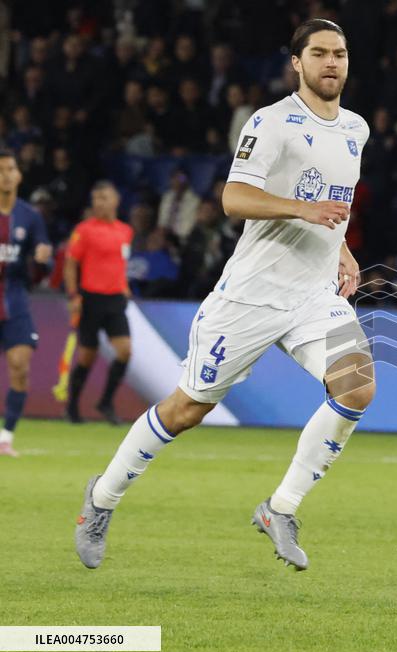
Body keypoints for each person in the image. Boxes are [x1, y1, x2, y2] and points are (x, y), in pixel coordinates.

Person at [74, 19, 374, 572]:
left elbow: (333, 205)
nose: (332, 62)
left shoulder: (356, 129)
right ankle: (101, 499)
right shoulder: (273, 122)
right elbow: (234, 197)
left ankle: (280, 509)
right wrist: (302, 209)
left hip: (312, 296)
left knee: (356, 386)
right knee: (188, 408)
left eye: (340, 52)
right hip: (251, 297)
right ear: (297, 63)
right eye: (320, 53)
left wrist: (342, 251)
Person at [64, 181, 134, 425]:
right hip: (91, 298)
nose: (99, 203)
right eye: (95, 198)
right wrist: (74, 295)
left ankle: (105, 401)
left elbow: (119, 262)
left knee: (125, 351)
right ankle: (72, 405)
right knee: (86, 357)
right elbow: (71, 264)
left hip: (115, 299)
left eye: (104, 197)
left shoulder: (125, 231)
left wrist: (124, 285)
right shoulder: (84, 230)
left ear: (116, 200)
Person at [0, 149, 52, 457]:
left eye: (10, 168)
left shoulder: (30, 216)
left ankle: (5, 437)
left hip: (15, 301)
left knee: (20, 367)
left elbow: (41, 264)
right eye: (1, 169)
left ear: (19, 175)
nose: (6, 174)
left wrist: (42, 260)